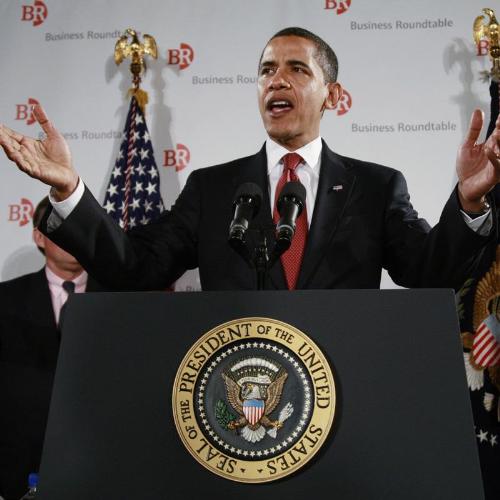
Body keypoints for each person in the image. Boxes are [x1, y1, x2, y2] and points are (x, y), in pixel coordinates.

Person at [0, 27, 498, 293]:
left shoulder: (376, 186)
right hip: (237, 403)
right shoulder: (212, 189)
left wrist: (469, 204)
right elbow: (136, 269)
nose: (276, 80)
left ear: (332, 95)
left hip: (342, 392)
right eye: (266, 70)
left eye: (297, 69)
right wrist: (69, 190)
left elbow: (427, 273)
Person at [0, 198, 102, 500]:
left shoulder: (121, 297)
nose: (72, 236)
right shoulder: (5, 299)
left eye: (79, 227)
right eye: (60, 227)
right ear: (39, 237)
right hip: (20, 468)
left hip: (103, 462)